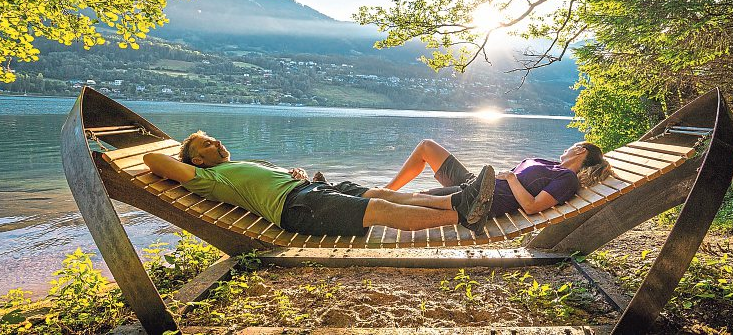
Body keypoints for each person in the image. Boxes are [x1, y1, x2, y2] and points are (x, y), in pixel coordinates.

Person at [143, 131, 497, 237]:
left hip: (309, 190)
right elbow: (152, 161)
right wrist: (186, 156)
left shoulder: (231, 165)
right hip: (298, 208)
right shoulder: (205, 176)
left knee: (385, 193)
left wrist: (293, 174)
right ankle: (462, 217)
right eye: (207, 144)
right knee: (382, 209)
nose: (216, 142)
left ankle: (461, 202)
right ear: (198, 161)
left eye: (213, 138)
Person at [384, 139, 612, 217]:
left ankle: (374, 202)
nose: (569, 147)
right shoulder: (552, 165)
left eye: (574, 146)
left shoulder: (567, 179)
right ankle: (388, 189)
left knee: (418, 198)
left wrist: (512, 178)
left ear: (581, 151)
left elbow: (532, 207)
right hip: (478, 183)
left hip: (482, 198)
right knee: (427, 147)